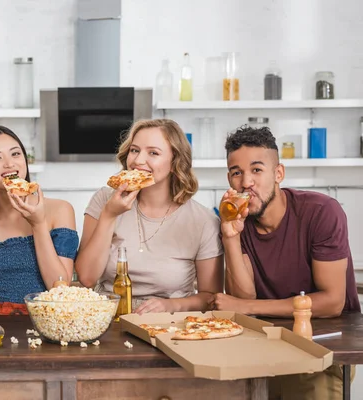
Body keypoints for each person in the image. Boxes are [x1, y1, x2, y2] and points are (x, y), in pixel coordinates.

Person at [211, 125, 359, 400]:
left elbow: (332, 301)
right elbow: (244, 293)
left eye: (257, 170)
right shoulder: (238, 222)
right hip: (261, 350)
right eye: (236, 172)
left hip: (320, 353)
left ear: (278, 173)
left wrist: (246, 307)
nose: (246, 183)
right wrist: (230, 236)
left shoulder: (321, 212)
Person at [75, 118, 223, 313]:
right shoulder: (104, 200)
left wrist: (171, 305)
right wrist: (109, 215)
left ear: (174, 163)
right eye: (135, 150)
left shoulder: (204, 221)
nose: (138, 161)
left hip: (170, 321)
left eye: (153, 153)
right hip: (106, 317)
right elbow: (86, 278)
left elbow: (211, 297)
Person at [0, 126, 79, 315]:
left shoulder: (60, 210)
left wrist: (38, 224)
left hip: (47, 328)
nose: (9, 164)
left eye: (16, 154)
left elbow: (60, 289)